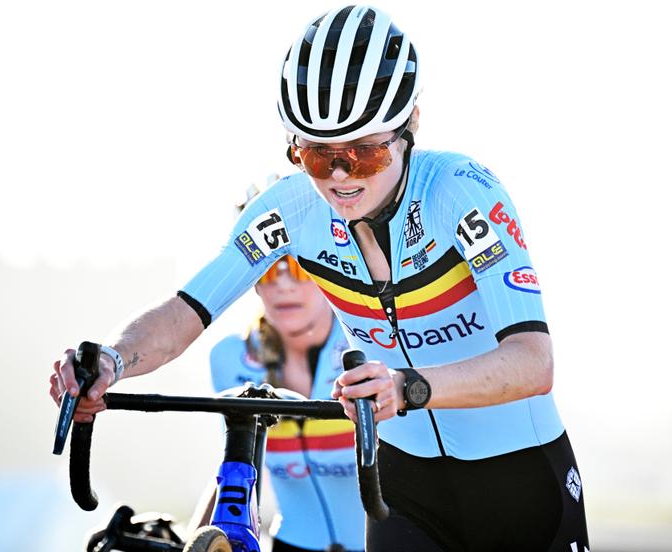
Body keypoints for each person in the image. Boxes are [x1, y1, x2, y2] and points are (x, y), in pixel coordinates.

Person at [50, 5, 589, 550]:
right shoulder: (291, 209)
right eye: (316, 155)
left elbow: (532, 362)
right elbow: (187, 310)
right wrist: (113, 361)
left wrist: (408, 387)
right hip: (404, 486)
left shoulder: (461, 191)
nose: (338, 177)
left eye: (365, 153)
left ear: (411, 127)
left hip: (519, 475)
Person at [192, 253, 365, 552]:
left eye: (298, 265)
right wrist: (192, 539)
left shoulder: (368, 345)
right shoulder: (229, 357)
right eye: (269, 271)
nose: (283, 285)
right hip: (291, 543)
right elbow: (235, 466)